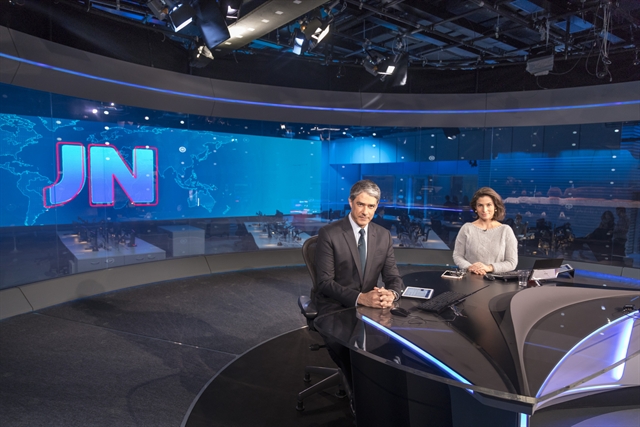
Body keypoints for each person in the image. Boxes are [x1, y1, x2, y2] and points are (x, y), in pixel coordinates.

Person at [314, 179, 404, 407]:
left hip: (370, 305)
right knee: (347, 348)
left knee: (392, 344)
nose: (365, 212)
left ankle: (383, 394)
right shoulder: (329, 233)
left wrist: (392, 294)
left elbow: (393, 277)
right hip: (335, 304)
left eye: (371, 206)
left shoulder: (383, 235)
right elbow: (324, 282)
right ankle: (360, 400)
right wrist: (359, 298)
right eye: (361, 204)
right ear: (350, 202)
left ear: (377, 207)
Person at [452, 187, 518, 275]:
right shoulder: (467, 228)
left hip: (497, 282)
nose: (484, 210)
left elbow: (511, 262)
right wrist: (470, 267)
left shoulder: (506, 230)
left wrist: (488, 268)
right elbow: (457, 256)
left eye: (489, 205)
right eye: (480, 205)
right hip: (470, 279)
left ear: (495, 207)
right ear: (475, 208)